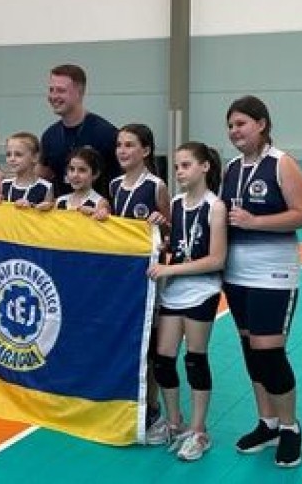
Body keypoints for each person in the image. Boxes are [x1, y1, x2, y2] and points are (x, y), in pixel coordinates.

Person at [220, 95, 302, 468]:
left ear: (261, 124)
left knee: (269, 353)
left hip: (273, 272)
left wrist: (255, 222)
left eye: (240, 123)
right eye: (230, 126)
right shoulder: (231, 167)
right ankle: (268, 422)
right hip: (236, 272)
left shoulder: (282, 164)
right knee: (250, 351)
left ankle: (291, 427)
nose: (234, 131)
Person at [147, 142, 226, 462]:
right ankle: (174, 422)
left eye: (186, 165)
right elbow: (178, 244)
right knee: (163, 359)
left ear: (204, 167)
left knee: (195, 360)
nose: (179, 171)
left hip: (202, 291)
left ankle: (198, 430)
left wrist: (170, 268)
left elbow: (216, 259)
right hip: (174, 290)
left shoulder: (215, 206)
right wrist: (158, 237)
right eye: (177, 166)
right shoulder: (177, 204)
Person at [103, 124, 171, 444]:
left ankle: (153, 406)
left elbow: (171, 232)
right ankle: (127, 398)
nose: (122, 150)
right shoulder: (114, 185)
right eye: (119, 145)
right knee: (126, 340)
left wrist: (163, 223)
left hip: (148, 278)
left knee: (151, 343)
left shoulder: (156, 186)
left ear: (145, 151)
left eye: (129, 145)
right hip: (120, 280)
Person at [39, 64, 119, 197]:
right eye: (51, 90)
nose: (53, 96)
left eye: (60, 90)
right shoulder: (49, 136)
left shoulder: (106, 133)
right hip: (63, 214)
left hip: (98, 214)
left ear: (79, 92)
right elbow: (41, 181)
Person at [0, 132, 53, 208]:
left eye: (18, 154)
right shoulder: (4, 184)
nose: (12, 159)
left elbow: (48, 217)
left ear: (35, 157)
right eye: (8, 154)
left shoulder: (45, 187)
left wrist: (33, 207)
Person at [52, 147, 110, 214]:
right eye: (71, 169)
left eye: (82, 170)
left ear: (95, 174)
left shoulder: (100, 203)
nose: (75, 175)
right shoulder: (60, 201)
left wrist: (95, 212)